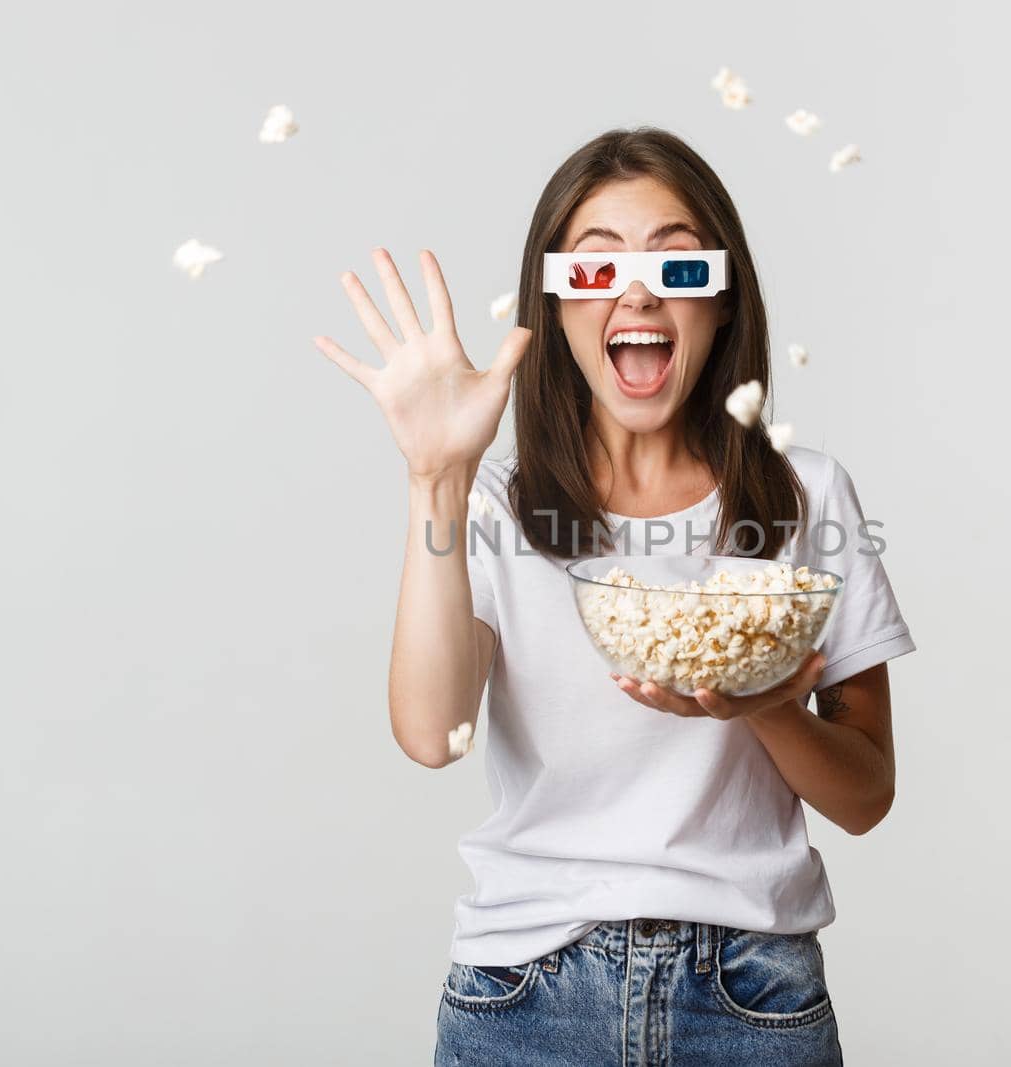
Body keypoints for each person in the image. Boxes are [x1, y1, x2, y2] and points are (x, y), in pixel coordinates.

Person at [314, 126, 914, 1066]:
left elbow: (868, 793)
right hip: (525, 993)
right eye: (594, 273)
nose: (635, 293)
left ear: (722, 302)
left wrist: (762, 707)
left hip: (752, 996)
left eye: (678, 268)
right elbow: (431, 734)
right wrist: (437, 477)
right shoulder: (490, 509)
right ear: (555, 309)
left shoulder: (809, 496)